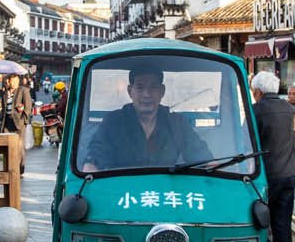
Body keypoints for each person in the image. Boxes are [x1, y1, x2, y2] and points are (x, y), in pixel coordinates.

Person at [80, 63, 211, 171]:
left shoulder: (177, 123)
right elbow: (95, 157)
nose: (147, 94)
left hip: (167, 192)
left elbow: (202, 158)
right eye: (140, 87)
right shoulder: (113, 121)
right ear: (130, 91)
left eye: (153, 87)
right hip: (123, 193)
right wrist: (90, 168)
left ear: (162, 91)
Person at [253, 72, 295, 242]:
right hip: (289, 172)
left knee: (259, 219)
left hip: (267, 174)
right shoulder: (289, 109)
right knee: (282, 220)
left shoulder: (256, 111)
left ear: (258, 92)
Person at [5, 74, 33, 174]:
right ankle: (9, 167)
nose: (13, 83)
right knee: (7, 145)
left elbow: (28, 107)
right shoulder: (6, 92)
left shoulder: (23, 90)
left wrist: (24, 120)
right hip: (7, 122)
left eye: (15, 81)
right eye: (11, 81)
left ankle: (20, 168)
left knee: (19, 147)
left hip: (19, 122)